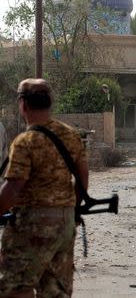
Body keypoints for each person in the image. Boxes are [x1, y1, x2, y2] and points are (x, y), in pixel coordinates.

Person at [0, 78, 88, 297]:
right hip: (65, 226)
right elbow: (83, 177)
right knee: (55, 291)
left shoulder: (25, 141)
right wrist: (71, 209)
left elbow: (12, 191)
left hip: (31, 227)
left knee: (15, 288)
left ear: (23, 104)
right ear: (50, 103)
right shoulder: (70, 134)